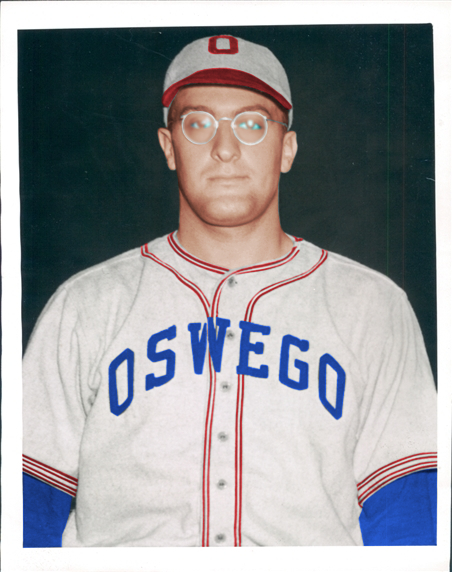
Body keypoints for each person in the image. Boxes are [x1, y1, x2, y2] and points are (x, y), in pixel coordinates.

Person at [23, 34, 437, 548]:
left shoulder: (372, 307)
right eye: (198, 124)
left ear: (287, 149)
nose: (224, 148)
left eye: (252, 123)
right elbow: (25, 508)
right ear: (168, 147)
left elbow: (409, 514)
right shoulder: (85, 305)